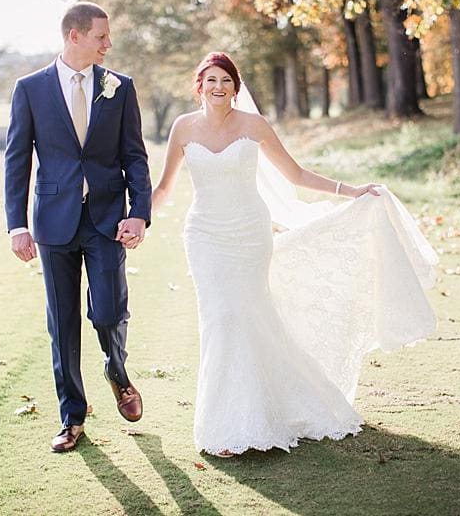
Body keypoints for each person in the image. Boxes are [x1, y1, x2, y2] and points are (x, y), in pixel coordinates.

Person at [152, 52, 438, 457]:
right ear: (199, 86)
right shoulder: (183, 128)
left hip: (250, 234)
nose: (219, 87)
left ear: (236, 87)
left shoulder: (254, 126)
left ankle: (271, 411)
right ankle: (227, 425)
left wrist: (350, 190)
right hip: (204, 236)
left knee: (247, 314)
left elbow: (297, 174)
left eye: (227, 81)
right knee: (220, 319)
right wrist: (135, 216)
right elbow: (164, 189)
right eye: (211, 80)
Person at [4, 2, 151, 453]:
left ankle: (116, 368)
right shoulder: (30, 89)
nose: (109, 44)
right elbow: (17, 158)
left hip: (107, 219)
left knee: (107, 313)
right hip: (53, 221)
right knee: (62, 322)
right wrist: (16, 225)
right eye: (101, 37)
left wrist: (139, 212)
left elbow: (134, 155)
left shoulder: (119, 87)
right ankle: (71, 417)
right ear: (75, 36)